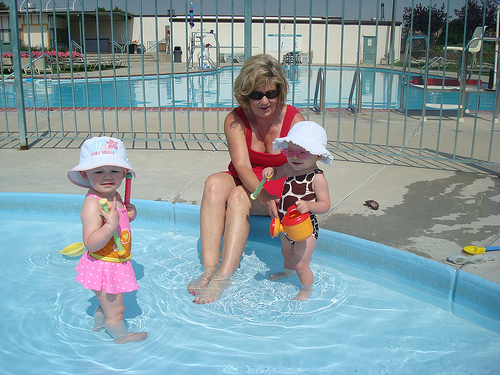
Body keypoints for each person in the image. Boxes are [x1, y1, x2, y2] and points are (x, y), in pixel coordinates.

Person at [187, 54, 305, 304]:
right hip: (250, 180)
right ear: (245, 94)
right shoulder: (235, 119)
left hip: (279, 189)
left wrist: (279, 199)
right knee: (214, 183)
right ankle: (208, 269)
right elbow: (241, 166)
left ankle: (223, 276)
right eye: (256, 95)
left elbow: (304, 167)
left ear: (280, 92)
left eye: (271, 94)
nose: (264, 101)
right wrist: (260, 193)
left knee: (240, 196)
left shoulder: (295, 121)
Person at [68, 136, 147, 344]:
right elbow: (91, 242)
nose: (107, 177)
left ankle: (99, 322)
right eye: (98, 171)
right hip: (105, 265)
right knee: (117, 310)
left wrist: (130, 213)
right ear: (85, 174)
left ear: (124, 173)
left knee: (107, 305)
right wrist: (111, 225)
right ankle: (121, 337)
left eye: (114, 170)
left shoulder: (114, 195)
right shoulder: (92, 205)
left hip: (115, 263)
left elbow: (122, 223)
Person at [262, 121, 332, 300]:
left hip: (305, 229)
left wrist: (309, 206)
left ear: (317, 155)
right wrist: (270, 172)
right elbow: (277, 173)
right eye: (290, 152)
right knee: (286, 254)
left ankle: (307, 289)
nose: (295, 157)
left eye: (302, 153)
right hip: (287, 226)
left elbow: (325, 205)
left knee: (301, 264)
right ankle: (288, 273)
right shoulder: (290, 168)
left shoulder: (317, 178)